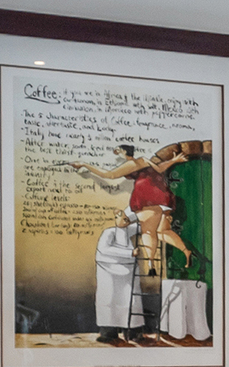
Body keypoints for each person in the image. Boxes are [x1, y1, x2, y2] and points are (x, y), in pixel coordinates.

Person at [67, 143, 193, 265]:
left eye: (119, 151)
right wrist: (174, 160)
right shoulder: (144, 160)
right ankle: (186, 251)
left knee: (148, 232)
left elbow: (110, 175)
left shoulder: (132, 163)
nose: (117, 153)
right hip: (163, 196)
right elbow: (160, 168)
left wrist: (84, 164)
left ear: (124, 152)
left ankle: (151, 264)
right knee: (162, 231)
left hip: (147, 197)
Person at [91, 212, 143, 345]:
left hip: (128, 270)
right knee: (109, 298)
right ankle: (108, 332)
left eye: (126, 218)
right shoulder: (108, 232)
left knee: (131, 300)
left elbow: (143, 225)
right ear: (115, 218)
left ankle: (133, 331)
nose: (124, 219)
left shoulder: (129, 230)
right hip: (108, 269)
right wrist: (130, 253)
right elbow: (104, 249)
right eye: (121, 216)